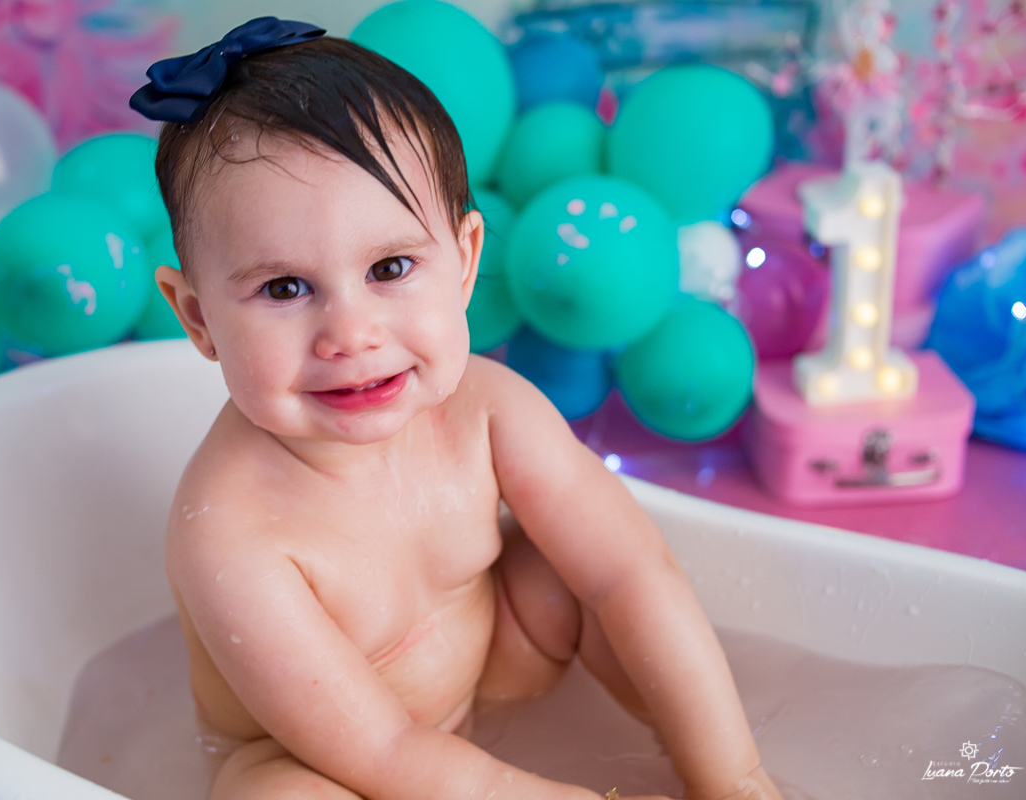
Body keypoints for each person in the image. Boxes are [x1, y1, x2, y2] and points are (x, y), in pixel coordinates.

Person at [132, 17, 784, 800]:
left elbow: (631, 573)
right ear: (198, 317)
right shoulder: (233, 533)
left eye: (390, 268)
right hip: (329, 763)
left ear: (467, 261)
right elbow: (383, 753)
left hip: (496, 675)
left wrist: (736, 777)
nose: (352, 335)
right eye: (285, 287)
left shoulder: (490, 410)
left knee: (573, 571)